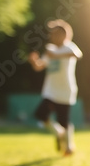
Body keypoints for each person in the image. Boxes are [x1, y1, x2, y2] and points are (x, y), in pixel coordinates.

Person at [28, 19, 82, 156]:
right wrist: (34, 61)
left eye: (54, 33)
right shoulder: (49, 50)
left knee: (64, 121)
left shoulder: (69, 47)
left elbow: (77, 55)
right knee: (40, 114)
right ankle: (59, 133)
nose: (51, 36)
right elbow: (39, 66)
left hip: (65, 90)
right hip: (50, 91)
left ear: (64, 35)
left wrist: (56, 55)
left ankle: (69, 146)